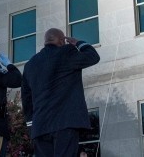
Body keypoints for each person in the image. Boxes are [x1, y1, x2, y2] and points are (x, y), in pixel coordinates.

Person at [21, 28, 100, 157]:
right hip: (65, 124)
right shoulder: (66, 52)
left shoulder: (30, 65)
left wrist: (31, 124)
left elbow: (26, 98)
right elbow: (93, 57)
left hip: (40, 127)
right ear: (62, 40)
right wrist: (79, 43)